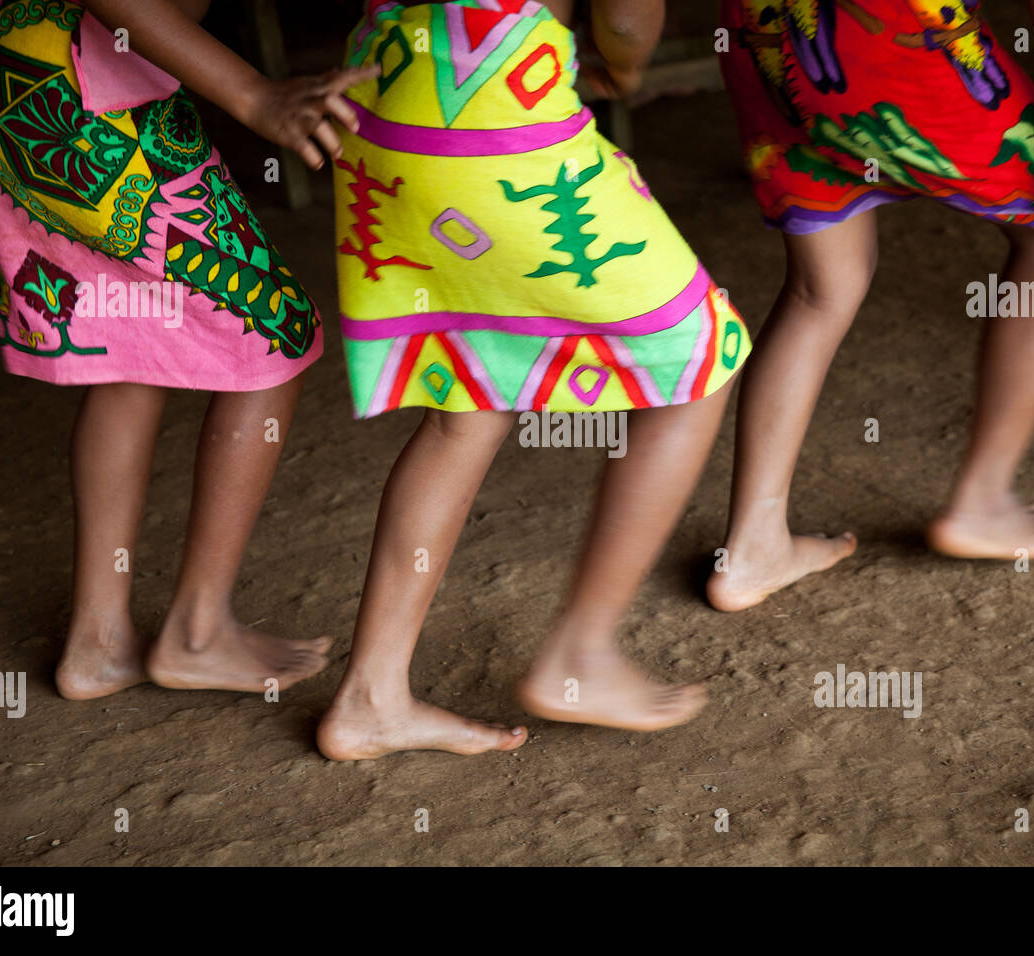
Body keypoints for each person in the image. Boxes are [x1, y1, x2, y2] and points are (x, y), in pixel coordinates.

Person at [317, 0, 750, 759]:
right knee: (699, 354)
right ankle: (580, 652)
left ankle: (370, 698)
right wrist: (623, 65)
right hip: (495, 113)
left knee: (467, 400)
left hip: (384, 101)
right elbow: (625, 16)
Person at [0, 0, 377, 698]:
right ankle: (198, 632)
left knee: (130, 338)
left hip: (24, 66)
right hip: (77, 90)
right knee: (272, 329)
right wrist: (256, 95)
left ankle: (98, 643)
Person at [707, 0, 1034, 612]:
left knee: (821, 289)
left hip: (766, 33)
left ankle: (752, 544)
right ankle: (981, 498)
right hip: (893, 30)